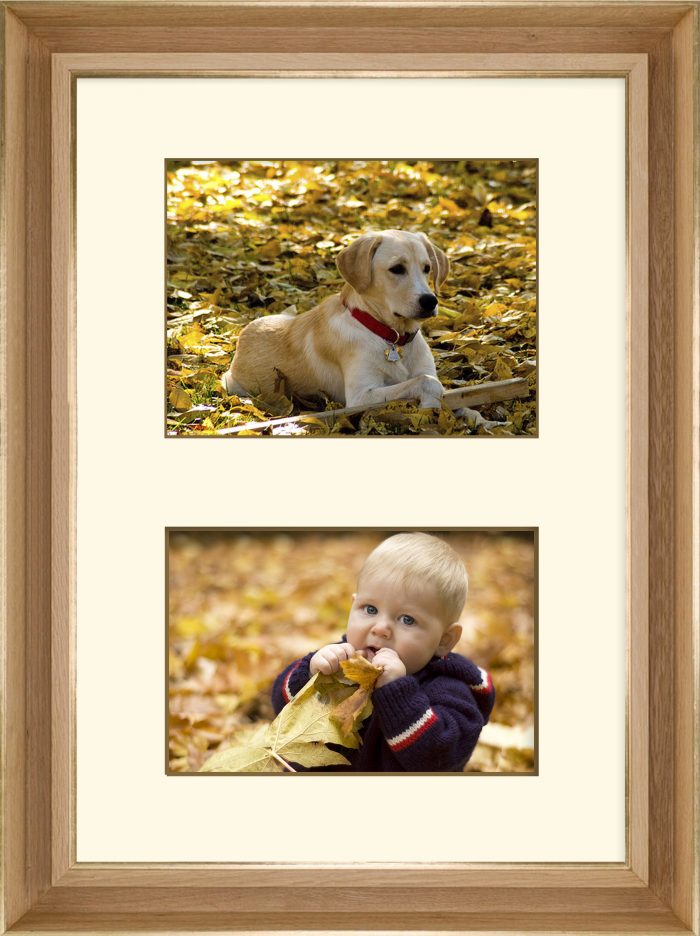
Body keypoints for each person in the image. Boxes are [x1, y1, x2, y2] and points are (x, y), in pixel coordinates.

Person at [271, 532, 495, 771]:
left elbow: (439, 759)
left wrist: (397, 694)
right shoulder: (338, 662)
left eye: (407, 620)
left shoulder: (449, 689)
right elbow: (280, 707)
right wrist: (310, 674)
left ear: (444, 640)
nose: (380, 628)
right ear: (353, 605)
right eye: (370, 609)